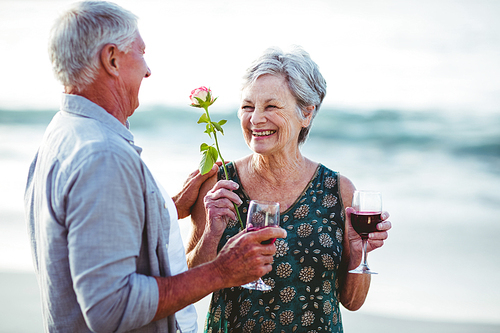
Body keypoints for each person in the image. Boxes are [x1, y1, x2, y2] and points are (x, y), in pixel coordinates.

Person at [24, 2, 286, 332]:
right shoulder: (102, 156)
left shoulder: (62, 131)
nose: (148, 70)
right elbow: (110, 308)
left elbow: (93, 227)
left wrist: (168, 206)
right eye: (141, 53)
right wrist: (223, 270)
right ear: (112, 59)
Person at [187, 46, 392, 332]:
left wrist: (359, 251)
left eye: (271, 106)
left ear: (306, 114)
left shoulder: (338, 190)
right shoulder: (221, 185)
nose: (256, 119)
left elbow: (353, 301)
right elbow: (187, 287)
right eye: (248, 107)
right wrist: (212, 233)